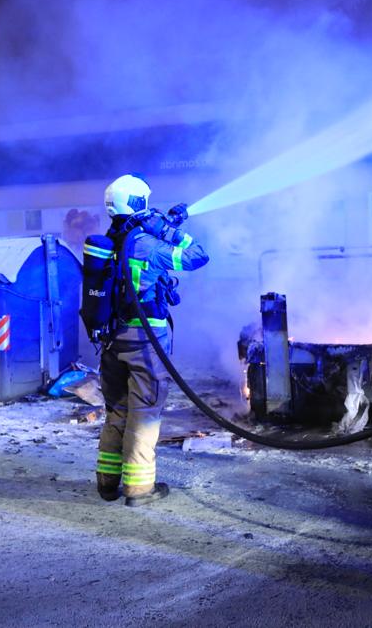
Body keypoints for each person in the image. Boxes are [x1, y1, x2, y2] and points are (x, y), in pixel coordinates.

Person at [90, 174, 209, 506]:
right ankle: (139, 489)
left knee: (117, 410)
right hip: (145, 343)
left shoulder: (106, 243)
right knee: (144, 414)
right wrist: (172, 232)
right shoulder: (146, 245)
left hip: (113, 342)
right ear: (139, 204)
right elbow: (197, 256)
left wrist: (159, 225)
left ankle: (107, 482)